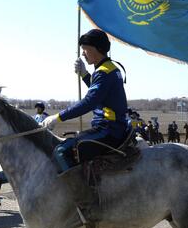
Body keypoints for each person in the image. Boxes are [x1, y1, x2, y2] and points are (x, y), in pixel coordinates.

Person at [42, 29, 128, 174]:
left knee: (62, 151)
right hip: (113, 127)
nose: (82, 53)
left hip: (108, 130)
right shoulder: (109, 69)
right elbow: (101, 93)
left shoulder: (103, 72)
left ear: (97, 49)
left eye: (85, 49)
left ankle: (77, 194)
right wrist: (84, 74)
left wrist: (58, 117)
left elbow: (89, 102)